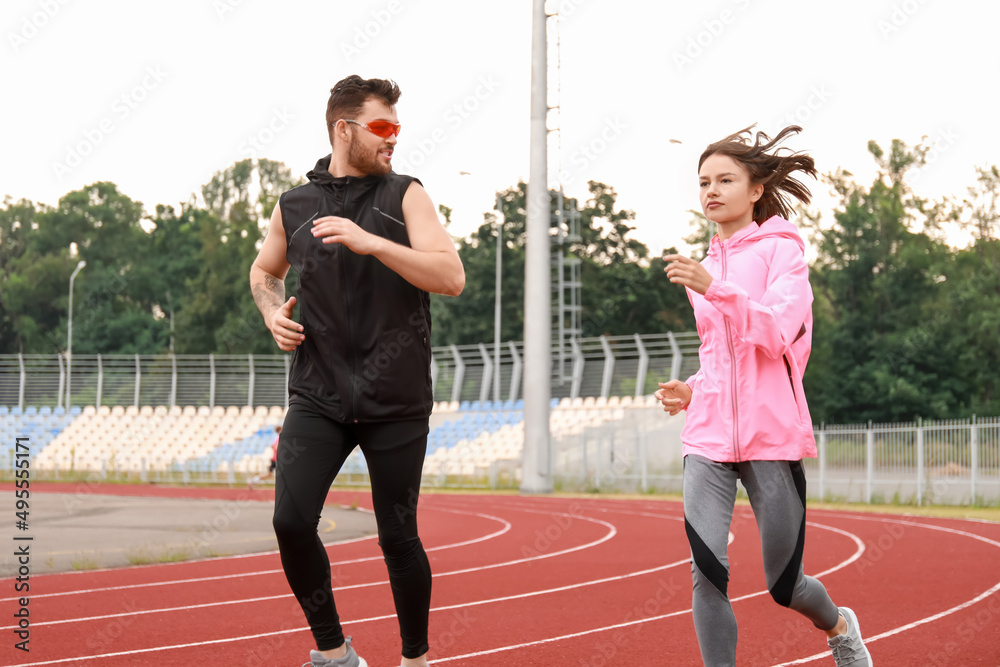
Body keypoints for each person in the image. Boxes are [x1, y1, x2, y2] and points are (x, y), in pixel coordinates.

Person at [249, 75, 465, 667]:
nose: (395, 138)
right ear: (345, 129)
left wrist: (373, 243)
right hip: (318, 396)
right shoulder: (294, 205)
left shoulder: (406, 195)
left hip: (394, 399)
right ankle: (333, 653)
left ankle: (414, 659)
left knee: (397, 537)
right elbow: (264, 272)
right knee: (291, 521)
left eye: (398, 127)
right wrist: (273, 313)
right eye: (383, 127)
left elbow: (451, 277)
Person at [657, 125, 873, 667]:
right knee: (706, 573)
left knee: (785, 584)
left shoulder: (785, 256)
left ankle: (840, 625)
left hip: (770, 436)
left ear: (755, 189)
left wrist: (714, 287)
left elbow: (776, 334)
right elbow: (719, 356)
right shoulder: (701, 269)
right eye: (703, 181)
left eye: (725, 179)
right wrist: (692, 388)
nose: (711, 190)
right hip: (706, 436)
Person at [248, 424, 281, 490]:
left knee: (270, 475)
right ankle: (252, 481)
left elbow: (273, 446)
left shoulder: (277, 438)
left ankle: (252, 481)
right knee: (270, 475)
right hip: (276, 459)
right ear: (279, 430)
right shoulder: (278, 437)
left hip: (276, 459)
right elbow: (275, 447)